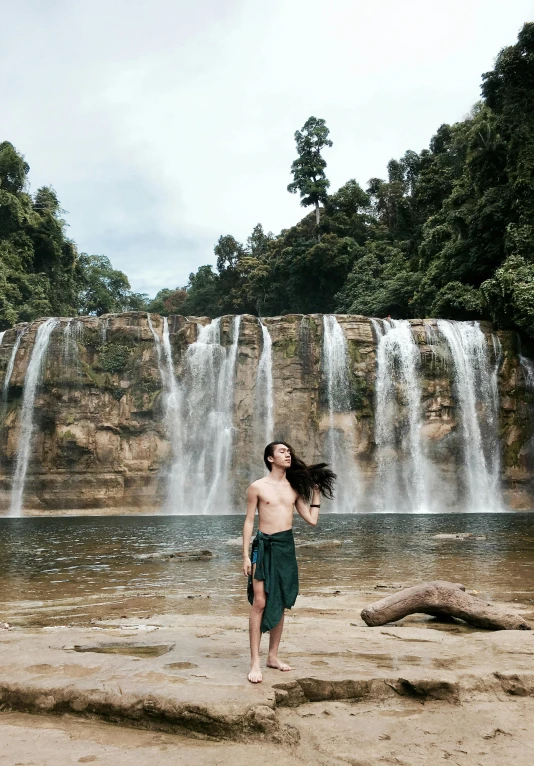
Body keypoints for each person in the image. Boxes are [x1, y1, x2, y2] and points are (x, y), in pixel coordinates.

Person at [242, 441, 336, 684]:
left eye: (289, 452)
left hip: (286, 547)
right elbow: (249, 523)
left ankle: (273, 656)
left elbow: (312, 520)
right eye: (282, 451)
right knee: (260, 602)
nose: (288, 454)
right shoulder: (257, 487)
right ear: (270, 458)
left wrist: (315, 493)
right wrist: (245, 556)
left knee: (282, 599)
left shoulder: (294, 489)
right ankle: (255, 661)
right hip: (263, 547)